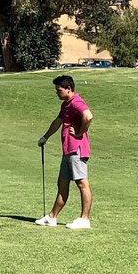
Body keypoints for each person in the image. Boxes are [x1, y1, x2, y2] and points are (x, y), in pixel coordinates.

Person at [36, 75, 93, 229]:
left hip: (77, 150)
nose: (57, 93)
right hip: (67, 150)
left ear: (68, 89)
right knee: (62, 183)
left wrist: (80, 132)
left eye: (59, 90)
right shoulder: (66, 105)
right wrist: (45, 137)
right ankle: (52, 217)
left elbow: (88, 116)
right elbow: (57, 122)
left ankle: (84, 219)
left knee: (82, 183)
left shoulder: (76, 102)